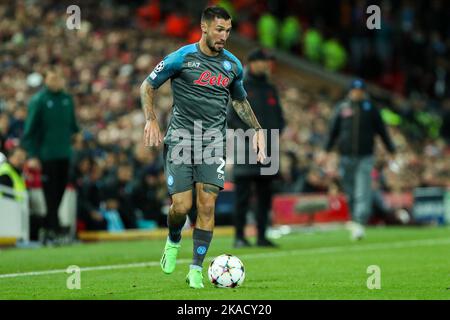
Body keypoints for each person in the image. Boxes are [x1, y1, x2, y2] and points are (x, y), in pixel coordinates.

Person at [140, 6, 266, 289]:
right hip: (181, 141)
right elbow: (147, 86)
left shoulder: (233, 65)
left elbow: (239, 101)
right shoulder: (182, 58)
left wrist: (258, 130)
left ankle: (196, 269)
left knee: (207, 206)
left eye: (229, 30)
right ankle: (173, 239)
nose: (224, 36)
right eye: (220, 30)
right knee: (181, 207)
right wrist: (150, 120)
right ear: (205, 27)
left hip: (213, 143)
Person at [323, 79, 396, 240]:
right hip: (345, 156)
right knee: (349, 189)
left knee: (363, 188)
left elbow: (382, 131)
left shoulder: (371, 109)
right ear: (350, 91)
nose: (358, 93)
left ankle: (360, 221)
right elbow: (333, 131)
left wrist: (391, 149)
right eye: (355, 90)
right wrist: (326, 150)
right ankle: (355, 219)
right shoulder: (342, 108)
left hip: (366, 156)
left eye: (360, 90)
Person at [227, 48, 285, 248]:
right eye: (262, 61)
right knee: (242, 195)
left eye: (267, 61)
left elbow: (279, 116)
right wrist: (252, 134)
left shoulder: (270, 88)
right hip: (245, 146)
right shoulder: (240, 85)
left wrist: (276, 135)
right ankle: (239, 237)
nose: (266, 65)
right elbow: (231, 117)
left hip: (269, 149)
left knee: (265, 196)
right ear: (251, 62)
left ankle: (261, 236)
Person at [21, 69, 79, 243]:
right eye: (52, 78)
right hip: (46, 155)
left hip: (64, 153)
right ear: (46, 80)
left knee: (59, 192)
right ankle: (53, 229)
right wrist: (32, 155)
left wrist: (77, 135)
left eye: (59, 77)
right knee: (50, 194)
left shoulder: (67, 99)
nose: (56, 81)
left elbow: (73, 126)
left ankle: (49, 228)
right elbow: (30, 130)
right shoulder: (39, 100)